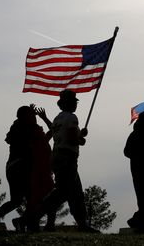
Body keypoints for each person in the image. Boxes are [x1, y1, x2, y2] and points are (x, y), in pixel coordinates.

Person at [20, 89, 99, 233]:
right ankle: (31, 217)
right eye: (74, 102)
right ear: (69, 104)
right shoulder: (72, 118)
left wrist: (79, 134)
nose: (76, 105)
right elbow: (71, 139)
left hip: (57, 157)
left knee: (76, 192)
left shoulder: (58, 119)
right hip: (67, 158)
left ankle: (82, 224)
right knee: (62, 193)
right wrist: (81, 138)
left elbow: (59, 133)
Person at [0, 106, 41, 225]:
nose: (34, 117)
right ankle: (26, 222)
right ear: (25, 116)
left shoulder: (16, 126)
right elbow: (38, 131)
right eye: (31, 115)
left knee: (17, 201)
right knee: (32, 198)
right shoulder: (26, 128)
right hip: (20, 167)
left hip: (13, 167)